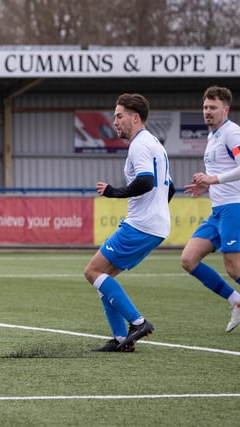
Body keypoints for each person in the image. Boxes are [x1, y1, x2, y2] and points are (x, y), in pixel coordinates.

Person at [84, 93, 175, 352]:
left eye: (119, 116)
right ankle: (121, 340)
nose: (115, 121)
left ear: (135, 118)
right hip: (152, 225)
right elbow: (170, 187)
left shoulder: (139, 145)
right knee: (105, 275)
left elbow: (146, 181)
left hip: (141, 225)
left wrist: (114, 192)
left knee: (92, 272)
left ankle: (138, 322)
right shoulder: (155, 144)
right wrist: (156, 211)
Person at [181, 86, 240, 333]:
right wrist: (207, 187)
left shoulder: (232, 132)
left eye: (213, 107)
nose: (207, 112)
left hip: (235, 207)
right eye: (205, 107)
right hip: (218, 210)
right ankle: (238, 301)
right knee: (188, 259)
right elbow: (224, 170)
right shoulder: (213, 136)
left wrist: (214, 180)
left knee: (235, 268)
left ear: (226, 109)